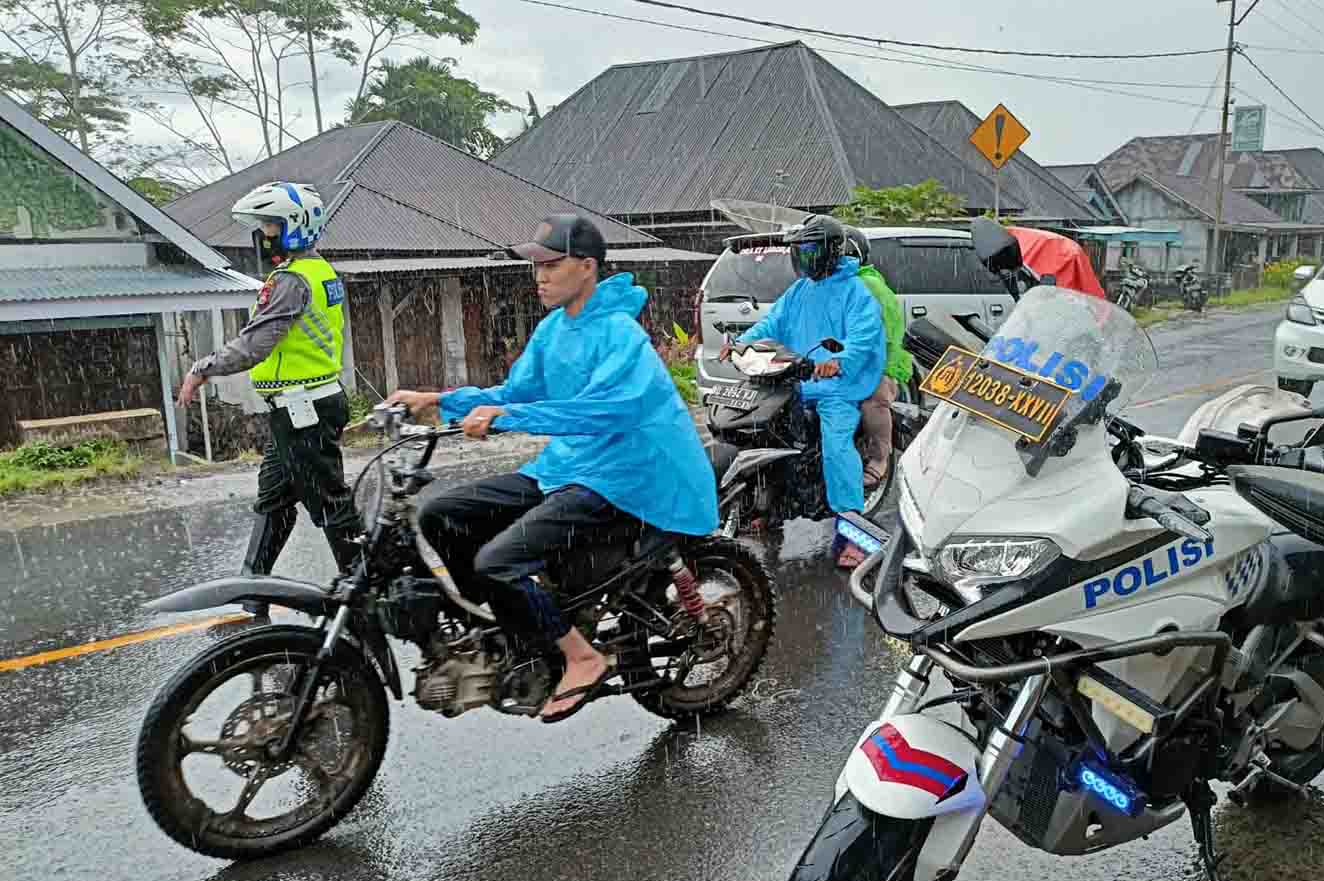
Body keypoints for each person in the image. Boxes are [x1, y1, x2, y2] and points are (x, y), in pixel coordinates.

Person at [384, 214, 717, 724]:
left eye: (551, 264)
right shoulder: (554, 329)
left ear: (587, 267)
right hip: (569, 466)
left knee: (497, 560)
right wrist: (437, 399)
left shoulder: (620, 334)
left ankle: (582, 655)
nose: (539, 275)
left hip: (630, 475)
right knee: (440, 514)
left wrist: (509, 417)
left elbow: (607, 409)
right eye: (535, 265)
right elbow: (516, 393)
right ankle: (519, 626)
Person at [176, 180, 362, 616]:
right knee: (274, 497)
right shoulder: (319, 272)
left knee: (330, 501)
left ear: (295, 226)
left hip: (305, 407)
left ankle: (364, 587)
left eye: (271, 226)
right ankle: (253, 589)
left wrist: (202, 368)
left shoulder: (291, 280)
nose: (263, 236)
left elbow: (256, 343)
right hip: (298, 406)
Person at [719, 215, 885, 521]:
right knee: (761, 430)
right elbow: (772, 324)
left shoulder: (857, 292)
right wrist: (741, 344)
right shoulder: (799, 290)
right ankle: (769, 504)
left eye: (810, 251)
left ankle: (852, 522)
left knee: (836, 447)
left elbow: (863, 339)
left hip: (839, 387)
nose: (804, 259)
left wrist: (838, 362)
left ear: (831, 251)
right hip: (795, 380)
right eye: (800, 252)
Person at [843, 226, 912, 490]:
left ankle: (880, 459)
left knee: (873, 402)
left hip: (877, 361)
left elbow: (882, 333)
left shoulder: (867, 284)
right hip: (841, 359)